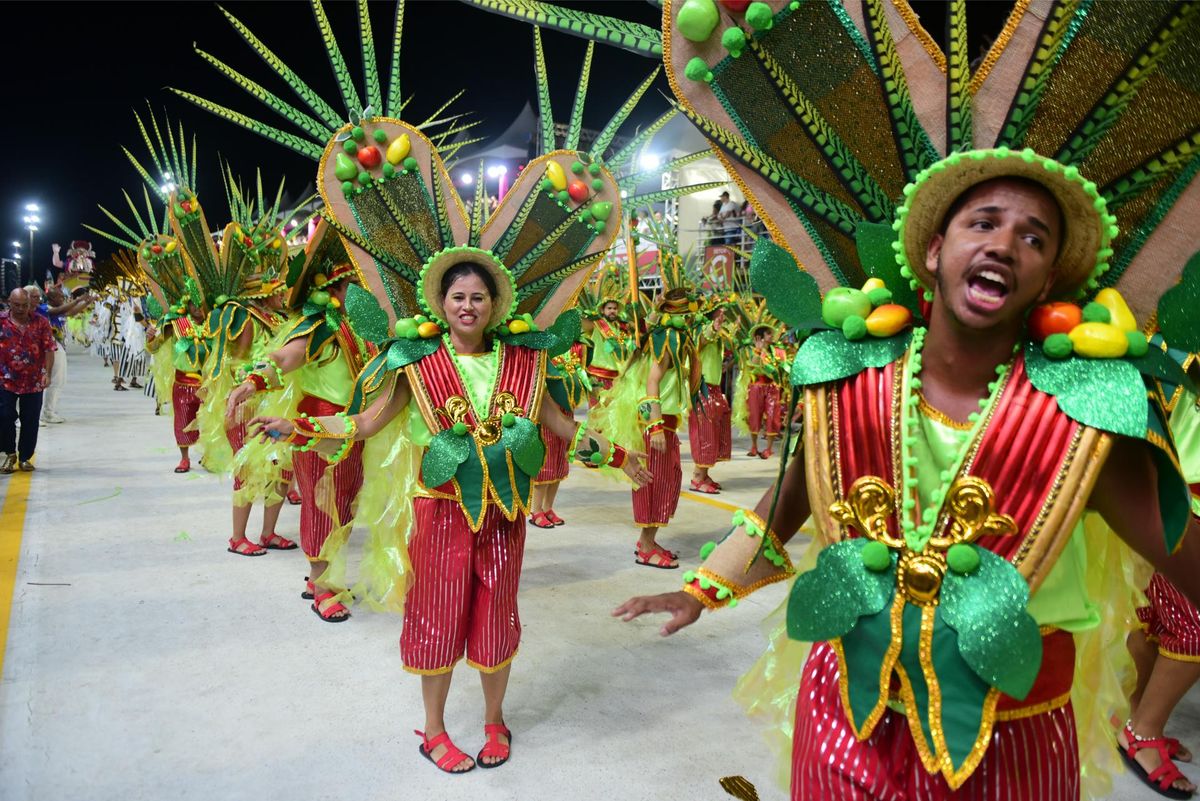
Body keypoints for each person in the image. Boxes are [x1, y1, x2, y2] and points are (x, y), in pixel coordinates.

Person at [616, 151, 1200, 799]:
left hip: (1010, 728)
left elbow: (1182, 555)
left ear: (1048, 279)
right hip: (846, 705)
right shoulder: (852, 386)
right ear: (933, 251)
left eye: (1033, 237)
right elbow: (783, 508)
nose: (1005, 244)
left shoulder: (1084, 422)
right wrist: (702, 589)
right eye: (983, 223)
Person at [252, 258, 649, 772]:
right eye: (458, 297)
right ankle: (434, 729)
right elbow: (368, 422)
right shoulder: (416, 362)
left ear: (494, 305)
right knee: (435, 619)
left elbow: (560, 425)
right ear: (441, 303)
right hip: (439, 513)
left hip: (505, 514)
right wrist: (301, 427)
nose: (468, 306)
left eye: (478, 298)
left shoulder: (523, 362)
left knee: (497, 619)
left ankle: (493, 720)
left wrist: (618, 455)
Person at [591, 287, 702, 569]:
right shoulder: (668, 340)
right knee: (653, 483)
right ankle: (646, 546)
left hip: (665, 420)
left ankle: (648, 541)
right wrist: (654, 427)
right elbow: (652, 381)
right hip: (657, 422)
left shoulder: (672, 337)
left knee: (665, 481)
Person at [0, 288, 56, 473]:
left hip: (33, 380)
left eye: (25, 305)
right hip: (5, 379)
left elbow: (49, 349)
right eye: (17, 305)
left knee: (30, 420)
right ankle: (8, 453)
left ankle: (25, 457)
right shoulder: (1, 321)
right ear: (9, 302)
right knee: (5, 417)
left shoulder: (40, 322)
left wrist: (47, 373)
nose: (21, 309)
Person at [688, 302, 732, 494]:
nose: (722, 316)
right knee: (704, 433)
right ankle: (697, 477)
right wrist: (713, 328)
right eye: (719, 313)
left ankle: (704, 475)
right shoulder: (699, 331)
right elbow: (704, 338)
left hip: (714, 389)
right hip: (702, 389)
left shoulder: (718, 336)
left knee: (714, 432)